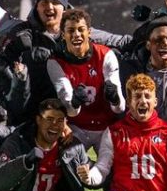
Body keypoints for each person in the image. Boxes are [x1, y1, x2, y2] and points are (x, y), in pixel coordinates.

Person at [46, 9, 123, 151]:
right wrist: (75, 102)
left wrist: (114, 98)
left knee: (117, 162)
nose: (76, 35)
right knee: (69, 158)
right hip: (77, 128)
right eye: (71, 30)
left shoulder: (106, 55)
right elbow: (71, 111)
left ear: (89, 32)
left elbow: (120, 108)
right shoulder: (55, 62)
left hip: (107, 126)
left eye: (81, 30)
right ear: (63, 35)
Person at [0, 0, 71, 122]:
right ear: (37, 6)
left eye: (55, 2)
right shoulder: (22, 33)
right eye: (44, 2)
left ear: (65, 7)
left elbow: (106, 39)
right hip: (29, 115)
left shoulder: (77, 31)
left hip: (69, 116)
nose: (49, 7)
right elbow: (1, 66)